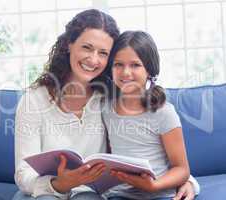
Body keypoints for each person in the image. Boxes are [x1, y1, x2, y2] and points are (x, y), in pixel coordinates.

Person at [13, 9, 199, 200]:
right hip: (42, 193)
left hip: (88, 193)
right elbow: (23, 175)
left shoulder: (109, 96)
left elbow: (139, 149)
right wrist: (60, 184)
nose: (94, 60)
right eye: (86, 47)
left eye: (103, 53)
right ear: (69, 44)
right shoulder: (34, 100)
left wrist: (186, 181)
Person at [101, 30, 199, 200]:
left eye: (135, 65)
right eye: (118, 64)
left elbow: (182, 169)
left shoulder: (163, 112)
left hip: (159, 194)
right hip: (119, 195)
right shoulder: (107, 110)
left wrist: (154, 185)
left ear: (149, 70)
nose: (125, 72)